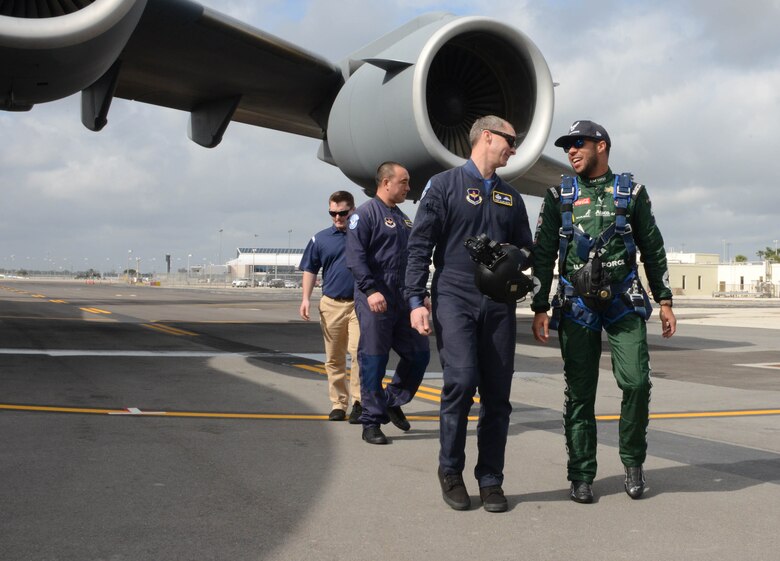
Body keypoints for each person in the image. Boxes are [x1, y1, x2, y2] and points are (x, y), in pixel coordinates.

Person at [530, 120, 677, 504]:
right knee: (580, 393)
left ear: (602, 145)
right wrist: (540, 305)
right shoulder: (557, 195)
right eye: (567, 147)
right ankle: (581, 476)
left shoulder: (632, 192)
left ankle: (633, 462)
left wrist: (664, 300)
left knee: (636, 383)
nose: (571, 152)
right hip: (576, 306)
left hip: (623, 303)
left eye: (579, 144)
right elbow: (543, 254)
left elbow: (653, 247)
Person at [405, 115, 532, 513]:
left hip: (498, 303)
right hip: (454, 295)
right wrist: (414, 300)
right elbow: (420, 244)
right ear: (487, 137)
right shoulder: (443, 186)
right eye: (510, 141)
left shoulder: (512, 197)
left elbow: (526, 248)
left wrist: (513, 260)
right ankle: (450, 470)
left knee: (498, 395)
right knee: (460, 382)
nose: (514, 148)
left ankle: (491, 478)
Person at [346, 162, 430, 445]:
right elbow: (355, 258)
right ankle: (371, 421)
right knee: (373, 359)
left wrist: (420, 294)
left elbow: (413, 261)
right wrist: (370, 290)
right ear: (385, 183)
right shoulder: (365, 215)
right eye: (404, 182)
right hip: (376, 298)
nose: (408, 188)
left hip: (403, 299)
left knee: (419, 353)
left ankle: (392, 399)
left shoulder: (405, 220)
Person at [299, 190, 362, 423]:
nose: (338, 218)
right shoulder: (320, 239)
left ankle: (359, 402)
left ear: (352, 210)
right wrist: (306, 298)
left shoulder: (363, 234)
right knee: (334, 358)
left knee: (359, 353)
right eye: (333, 213)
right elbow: (310, 269)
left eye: (342, 213)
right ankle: (338, 403)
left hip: (358, 304)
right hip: (332, 304)